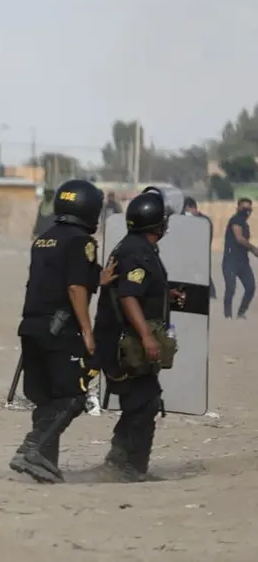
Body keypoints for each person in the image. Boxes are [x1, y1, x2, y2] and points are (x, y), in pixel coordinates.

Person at [9, 179, 116, 483]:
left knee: (46, 398)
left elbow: (62, 276)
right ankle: (33, 448)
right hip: (60, 331)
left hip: (31, 326)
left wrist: (99, 278)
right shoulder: (82, 242)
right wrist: (87, 331)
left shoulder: (44, 239)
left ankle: (43, 463)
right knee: (73, 396)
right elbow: (74, 286)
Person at [94, 189, 183, 482]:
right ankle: (131, 466)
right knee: (145, 400)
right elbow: (129, 296)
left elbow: (138, 288)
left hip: (120, 341)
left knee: (140, 399)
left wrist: (164, 295)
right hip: (125, 344)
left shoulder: (134, 247)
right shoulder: (136, 251)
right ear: (157, 224)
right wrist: (147, 336)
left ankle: (118, 459)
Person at [222, 198, 257, 319]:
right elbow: (239, 238)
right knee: (230, 288)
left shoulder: (245, 223)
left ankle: (241, 312)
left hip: (243, 261)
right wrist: (253, 249)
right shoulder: (236, 220)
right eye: (244, 208)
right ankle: (227, 316)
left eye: (249, 208)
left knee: (251, 286)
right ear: (238, 208)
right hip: (230, 260)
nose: (247, 211)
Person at [183, 197, 217, 299]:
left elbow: (206, 239)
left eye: (188, 210)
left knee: (202, 276)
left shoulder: (204, 221)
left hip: (200, 254)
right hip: (188, 255)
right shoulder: (186, 220)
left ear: (193, 208)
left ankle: (211, 295)